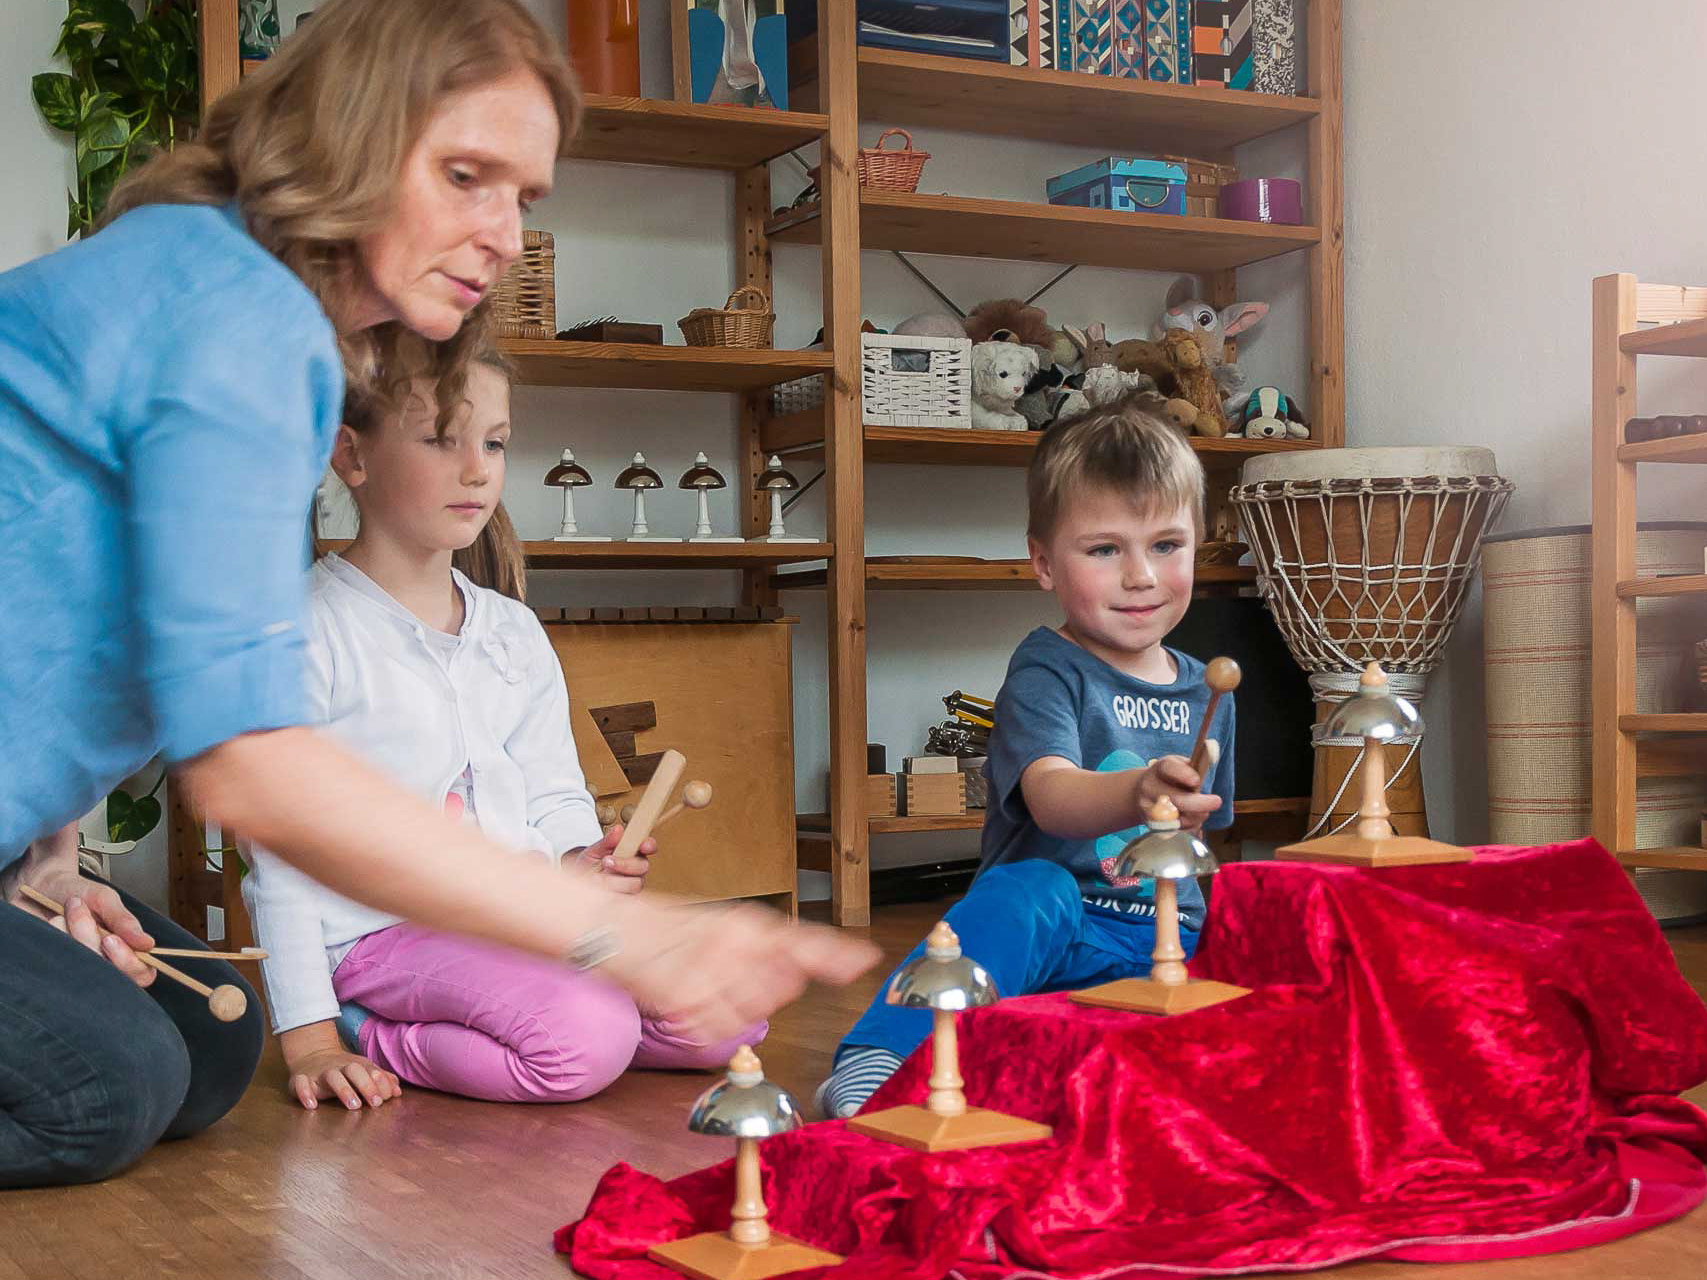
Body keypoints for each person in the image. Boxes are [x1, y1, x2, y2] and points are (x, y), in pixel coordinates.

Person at [0, 0, 874, 1188]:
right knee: (109, 1088)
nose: (506, 235)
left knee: (207, 1048)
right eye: (467, 176)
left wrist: (48, 857)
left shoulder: (224, 278)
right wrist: (627, 930)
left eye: (525, 197)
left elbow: (62, 592)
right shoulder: (246, 322)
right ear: (344, 140)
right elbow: (250, 765)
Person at [249, 355, 766, 1111]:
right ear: (352, 456)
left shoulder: (512, 630)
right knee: (586, 1040)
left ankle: (574, 1013)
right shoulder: (305, 631)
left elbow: (554, 789)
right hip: (379, 935)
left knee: (728, 1013)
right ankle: (374, 1030)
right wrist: (313, 1037)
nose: (476, 470)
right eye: (441, 441)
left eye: (494, 444)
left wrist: (578, 860)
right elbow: (282, 857)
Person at [817, 396, 1237, 1118]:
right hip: (1057, 931)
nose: (1141, 575)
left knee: (1254, 917)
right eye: (1105, 550)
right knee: (1026, 890)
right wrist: (1139, 790)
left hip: (1164, 938)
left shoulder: (1211, 686)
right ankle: (879, 1060)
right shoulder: (1047, 670)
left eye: (1166, 546)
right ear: (1043, 562)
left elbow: (1207, 839)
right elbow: (1051, 796)